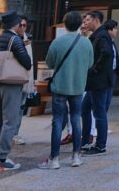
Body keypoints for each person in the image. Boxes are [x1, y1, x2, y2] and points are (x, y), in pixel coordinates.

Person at [38, 11, 93, 170]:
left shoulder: (57, 42)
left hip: (60, 85)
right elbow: (89, 64)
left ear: (65, 23)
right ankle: (76, 156)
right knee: (76, 119)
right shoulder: (86, 43)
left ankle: (54, 158)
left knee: (57, 121)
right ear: (80, 24)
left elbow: (50, 63)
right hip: (77, 85)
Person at [0, 11, 32, 172]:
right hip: (11, 83)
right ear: (15, 24)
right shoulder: (14, 39)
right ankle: (2, 158)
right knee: (10, 121)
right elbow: (26, 62)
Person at [82, 11, 116, 155]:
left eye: (88, 20)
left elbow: (106, 53)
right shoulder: (98, 35)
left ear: (96, 20)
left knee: (99, 112)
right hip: (96, 81)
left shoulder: (101, 35)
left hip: (99, 81)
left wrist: (95, 69)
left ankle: (100, 145)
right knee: (84, 108)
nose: (86, 23)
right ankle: (85, 140)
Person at [12, 16, 33, 146]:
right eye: (21, 25)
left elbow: (30, 62)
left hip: (25, 78)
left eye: (25, 25)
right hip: (12, 78)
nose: (22, 28)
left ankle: (15, 133)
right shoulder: (13, 40)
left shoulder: (28, 40)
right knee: (9, 109)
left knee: (20, 108)